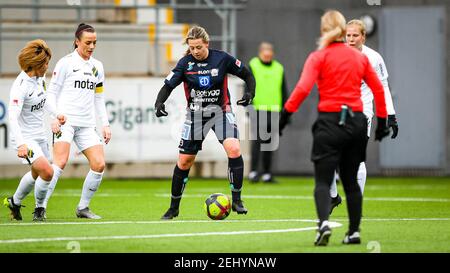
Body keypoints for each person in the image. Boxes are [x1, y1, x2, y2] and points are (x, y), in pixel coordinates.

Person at [279, 10, 390, 246]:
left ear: (323, 31)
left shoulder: (318, 56)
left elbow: (302, 89)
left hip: (330, 123)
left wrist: (285, 115)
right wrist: (382, 122)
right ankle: (354, 232)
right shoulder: (360, 58)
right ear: (343, 31)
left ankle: (323, 226)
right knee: (351, 182)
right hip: (357, 123)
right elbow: (378, 90)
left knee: (322, 180)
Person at [155, 25, 256, 220]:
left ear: (207, 43)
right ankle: (173, 207)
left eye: (198, 47)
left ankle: (237, 200)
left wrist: (250, 94)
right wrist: (159, 102)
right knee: (184, 162)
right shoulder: (185, 64)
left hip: (221, 111)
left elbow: (248, 75)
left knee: (234, 149)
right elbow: (167, 85)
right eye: (191, 48)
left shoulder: (222, 58)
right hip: (195, 116)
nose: (195, 52)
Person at [328, 19, 399, 214]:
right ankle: (333, 197)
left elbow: (383, 87)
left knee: (356, 158)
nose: (350, 39)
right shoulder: (336, 54)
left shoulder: (374, 58)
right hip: (338, 110)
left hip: (362, 112)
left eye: (355, 35)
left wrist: (390, 115)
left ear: (363, 37)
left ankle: (355, 203)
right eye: (348, 35)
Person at [43, 23, 111, 219]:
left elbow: (99, 97)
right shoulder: (65, 63)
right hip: (66, 122)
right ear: (77, 42)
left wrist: (104, 124)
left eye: (94, 43)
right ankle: (41, 207)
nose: (91, 47)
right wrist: (54, 116)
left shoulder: (97, 66)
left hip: (87, 124)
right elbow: (51, 93)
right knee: (60, 162)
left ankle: (83, 208)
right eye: (88, 42)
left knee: (99, 164)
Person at [4, 39, 66, 221]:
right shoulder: (20, 87)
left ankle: (14, 202)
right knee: (47, 172)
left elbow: (44, 100)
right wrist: (21, 144)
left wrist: (56, 114)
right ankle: (39, 210)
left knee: (36, 173)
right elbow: (12, 117)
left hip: (39, 135)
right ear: (36, 64)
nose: (48, 66)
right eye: (45, 63)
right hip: (25, 138)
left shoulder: (40, 79)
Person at [247, 42, 288, 183]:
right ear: (260, 53)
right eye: (264, 52)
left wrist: (286, 111)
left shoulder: (279, 68)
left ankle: (267, 173)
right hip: (258, 109)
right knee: (258, 141)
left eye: (269, 52)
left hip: (274, 110)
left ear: (272, 53)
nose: (267, 54)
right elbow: (248, 86)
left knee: (270, 143)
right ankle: (253, 172)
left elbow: (283, 90)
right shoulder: (253, 65)